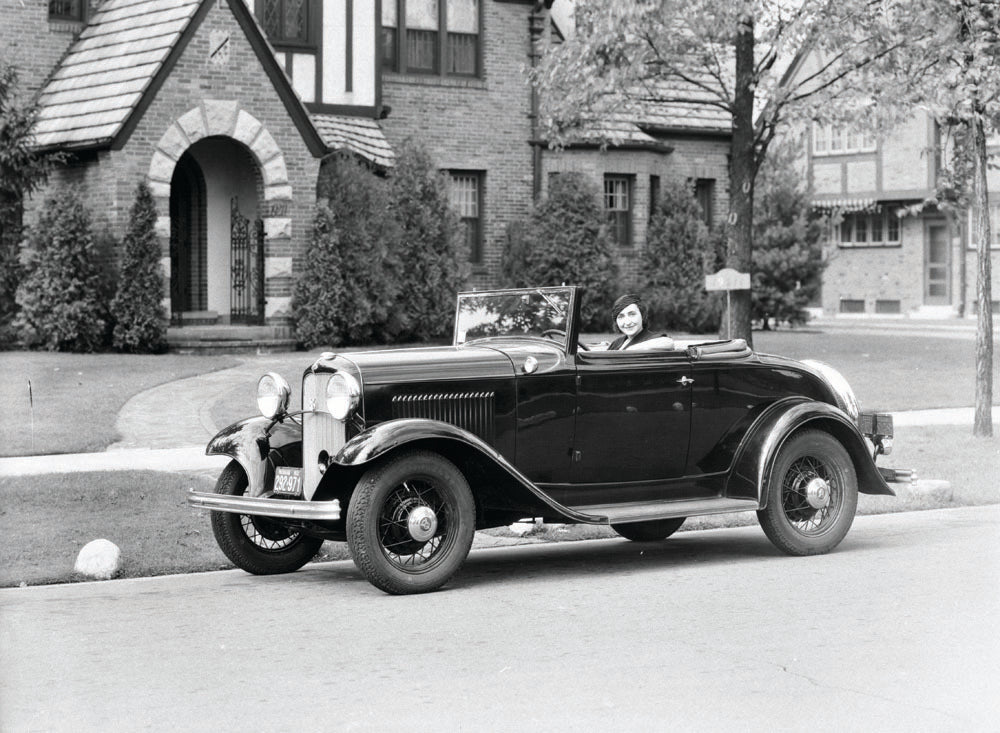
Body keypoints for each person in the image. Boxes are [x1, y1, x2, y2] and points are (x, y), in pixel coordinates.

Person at [607, 294, 674, 351]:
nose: (627, 322)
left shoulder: (653, 338)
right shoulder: (617, 343)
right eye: (621, 317)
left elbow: (668, 342)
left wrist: (630, 349)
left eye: (632, 314)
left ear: (642, 315)